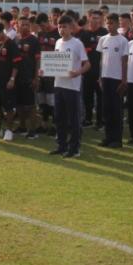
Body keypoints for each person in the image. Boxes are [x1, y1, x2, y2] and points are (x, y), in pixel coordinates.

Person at [43, 14, 89, 158]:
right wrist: (44, 70)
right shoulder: (57, 42)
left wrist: (78, 72)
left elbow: (87, 64)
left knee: (73, 119)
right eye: (59, 26)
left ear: (71, 28)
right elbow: (55, 64)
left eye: (65, 27)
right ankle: (61, 145)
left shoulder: (77, 43)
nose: (62, 29)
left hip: (72, 86)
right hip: (59, 85)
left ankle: (74, 148)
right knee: (59, 117)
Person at [96, 13, 128, 148]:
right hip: (105, 78)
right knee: (106, 109)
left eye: (112, 23)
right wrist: (99, 77)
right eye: (107, 23)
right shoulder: (103, 39)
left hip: (117, 79)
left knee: (116, 110)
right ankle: (108, 137)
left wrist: (124, 80)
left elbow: (125, 61)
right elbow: (101, 60)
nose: (109, 26)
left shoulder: (123, 40)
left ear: (117, 24)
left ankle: (117, 139)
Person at [13, 15, 41, 138]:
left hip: (29, 77)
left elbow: (38, 61)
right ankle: (22, 126)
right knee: (19, 104)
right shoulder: (15, 39)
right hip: (17, 77)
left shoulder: (34, 40)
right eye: (22, 24)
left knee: (30, 105)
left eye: (27, 25)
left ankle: (32, 130)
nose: (24, 27)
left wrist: (36, 77)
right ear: (17, 25)